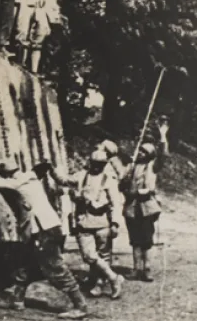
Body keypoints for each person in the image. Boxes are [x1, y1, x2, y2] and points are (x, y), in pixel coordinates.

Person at [0, 153, 89, 319]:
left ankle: (80, 305)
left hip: (42, 231)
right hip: (51, 226)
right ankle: (18, 298)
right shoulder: (31, 177)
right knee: (26, 262)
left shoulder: (15, 184)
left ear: (6, 175)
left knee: (55, 267)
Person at [48, 150, 124, 299]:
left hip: (103, 222)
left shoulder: (109, 179)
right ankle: (113, 278)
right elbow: (64, 180)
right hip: (84, 222)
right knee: (89, 255)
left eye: (100, 164)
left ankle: (99, 283)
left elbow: (116, 202)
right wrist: (52, 170)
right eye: (94, 164)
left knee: (104, 255)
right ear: (90, 162)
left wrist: (115, 222)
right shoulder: (82, 175)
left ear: (105, 164)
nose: (96, 167)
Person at [120, 126, 169, 282]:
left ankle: (146, 269)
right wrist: (125, 183)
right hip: (132, 207)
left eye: (144, 152)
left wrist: (162, 136)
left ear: (150, 155)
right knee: (135, 240)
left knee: (146, 240)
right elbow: (122, 186)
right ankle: (136, 269)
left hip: (147, 207)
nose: (140, 153)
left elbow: (163, 155)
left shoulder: (153, 167)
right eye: (140, 151)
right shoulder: (131, 167)